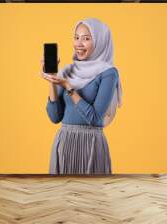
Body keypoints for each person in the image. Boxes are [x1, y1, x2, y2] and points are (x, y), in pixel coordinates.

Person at [40, 18, 122, 174]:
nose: (79, 43)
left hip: (91, 143)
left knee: (91, 195)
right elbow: (54, 117)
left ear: (100, 42)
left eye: (86, 38)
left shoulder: (108, 73)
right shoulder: (66, 71)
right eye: (76, 37)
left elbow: (95, 118)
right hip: (65, 141)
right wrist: (52, 80)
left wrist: (69, 88)